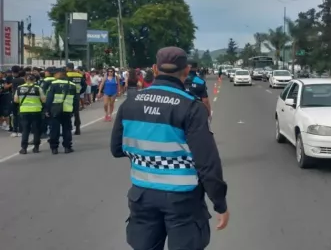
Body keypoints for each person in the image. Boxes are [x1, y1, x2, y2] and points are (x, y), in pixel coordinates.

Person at [110, 46, 229, 250]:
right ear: (186, 70)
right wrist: (220, 203)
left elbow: (116, 149)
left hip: (142, 195)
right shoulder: (191, 107)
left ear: (155, 69)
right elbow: (207, 163)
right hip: (182, 199)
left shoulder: (130, 104)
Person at [45, 68, 77, 155]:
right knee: (67, 129)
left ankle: (54, 148)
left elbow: (49, 99)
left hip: (55, 110)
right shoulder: (72, 85)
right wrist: (74, 111)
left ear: (60, 74)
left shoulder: (53, 84)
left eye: (54, 74)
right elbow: (75, 100)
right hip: (67, 110)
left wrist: (47, 109)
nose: (53, 75)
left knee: (54, 130)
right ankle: (67, 147)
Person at [14, 74, 45, 154]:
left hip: (24, 111)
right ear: (34, 80)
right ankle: (36, 148)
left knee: (25, 130)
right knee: (36, 130)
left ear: (25, 79)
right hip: (36, 111)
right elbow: (43, 99)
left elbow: (16, 100)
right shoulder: (38, 88)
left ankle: (24, 148)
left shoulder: (19, 88)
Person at [66, 63, 86, 135]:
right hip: (76, 95)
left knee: (67, 111)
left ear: (67, 68)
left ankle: (69, 127)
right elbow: (84, 86)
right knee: (76, 112)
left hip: (68, 96)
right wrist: (79, 92)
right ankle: (77, 128)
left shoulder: (66, 75)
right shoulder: (79, 75)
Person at [10, 66, 26, 137]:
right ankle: (20, 131)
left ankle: (14, 130)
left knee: (15, 115)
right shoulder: (23, 80)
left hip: (14, 99)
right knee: (20, 115)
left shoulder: (14, 80)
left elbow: (13, 90)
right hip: (22, 99)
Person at [41, 67, 56, 137]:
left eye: (46, 71)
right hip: (55, 100)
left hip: (46, 100)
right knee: (53, 117)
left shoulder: (46, 80)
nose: (45, 72)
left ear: (49, 72)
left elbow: (42, 91)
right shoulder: (56, 80)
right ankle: (52, 131)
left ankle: (44, 132)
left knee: (45, 116)